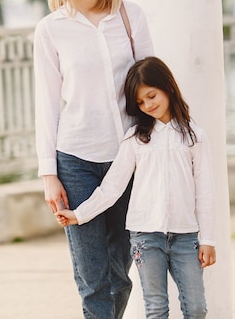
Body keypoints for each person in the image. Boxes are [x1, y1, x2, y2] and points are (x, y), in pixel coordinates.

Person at [34, 0, 155, 319]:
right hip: (76, 160)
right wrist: (48, 175)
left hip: (128, 158)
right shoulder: (51, 29)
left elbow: (152, 84)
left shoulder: (130, 16)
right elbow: (47, 105)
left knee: (120, 275)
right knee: (92, 278)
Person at [56, 56, 217, 319]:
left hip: (185, 237)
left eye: (152, 96)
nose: (148, 105)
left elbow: (206, 192)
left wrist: (208, 240)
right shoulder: (135, 139)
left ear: (168, 87)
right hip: (145, 236)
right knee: (156, 309)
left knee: (197, 307)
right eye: (141, 102)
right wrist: (79, 214)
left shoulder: (194, 136)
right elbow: (112, 187)